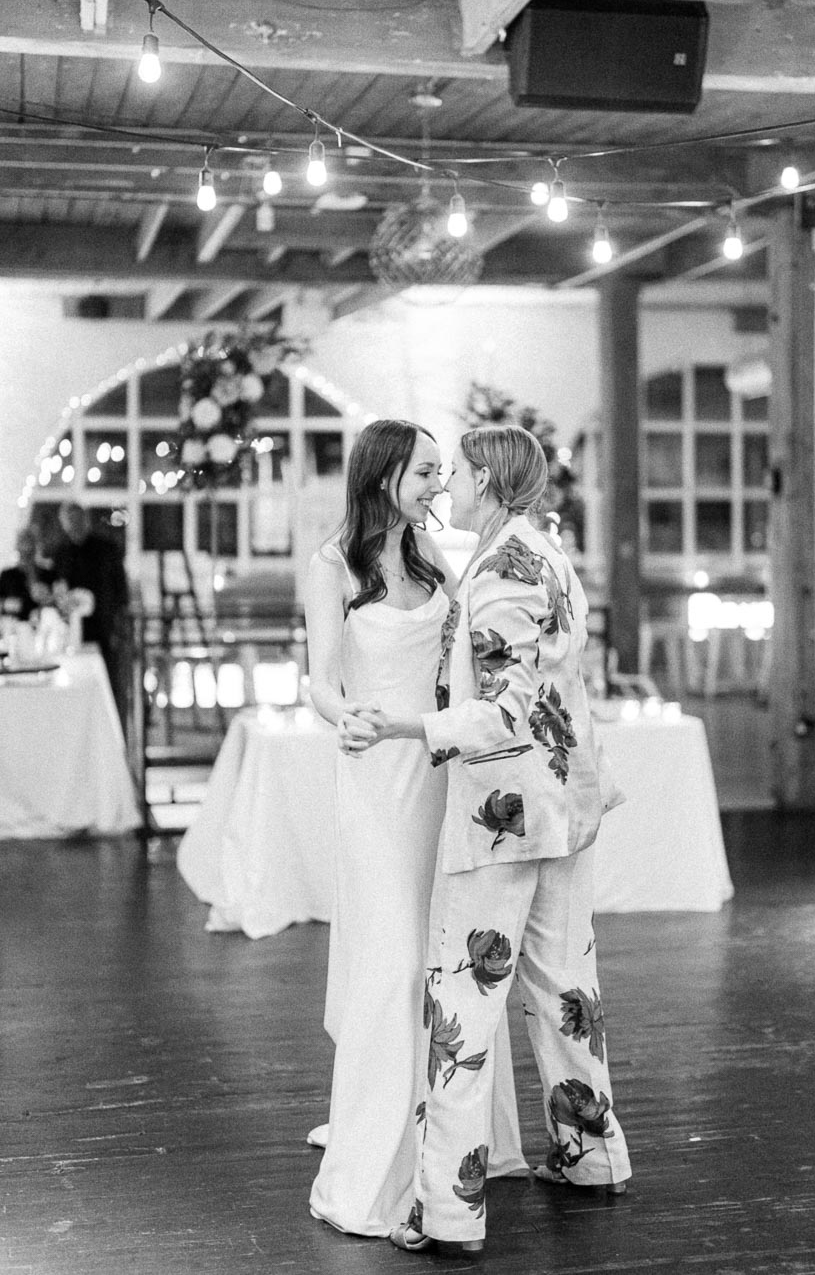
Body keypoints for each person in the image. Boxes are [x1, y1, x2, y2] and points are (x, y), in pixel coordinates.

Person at [343, 425, 632, 1253]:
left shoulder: (502, 571)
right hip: (566, 809)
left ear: (493, 479)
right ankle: (591, 1158)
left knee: (462, 1006)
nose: (451, 485)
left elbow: (503, 710)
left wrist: (403, 724)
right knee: (565, 991)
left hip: (503, 817)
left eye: (461, 471)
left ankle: (449, 1211)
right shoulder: (545, 549)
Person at [304, 419, 527, 1239]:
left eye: (444, 471)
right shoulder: (333, 565)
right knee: (393, 960)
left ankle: (450, 1147)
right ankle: (379, 1161)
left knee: (442, 958)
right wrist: (345, 714)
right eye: (427, 470)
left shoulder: (438, 562)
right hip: (374, 781)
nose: (440, 484)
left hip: (438, 778)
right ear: (385, 474)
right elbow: (320, 680)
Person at [53, 503, 130, 726]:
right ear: (64, 524)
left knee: (110, 683)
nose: (75, 525)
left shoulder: (107, 548)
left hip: (105, 629)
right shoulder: (61, 552)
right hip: (73, 632)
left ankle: (113, 730)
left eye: (79, 520)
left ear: (86, 520)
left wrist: (118, 624)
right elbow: (59, 590)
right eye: (71, 521)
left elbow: (120, 590)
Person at [0, 525, 54, 621]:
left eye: (30, 542)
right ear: (17, 547)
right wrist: (5, 604)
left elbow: (57, 603)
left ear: (36, 547)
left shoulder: (47, 574)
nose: (26, 548)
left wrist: (48, 599)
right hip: (15, 628)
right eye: (23, 542)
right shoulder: (7, 575)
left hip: (43, 629)